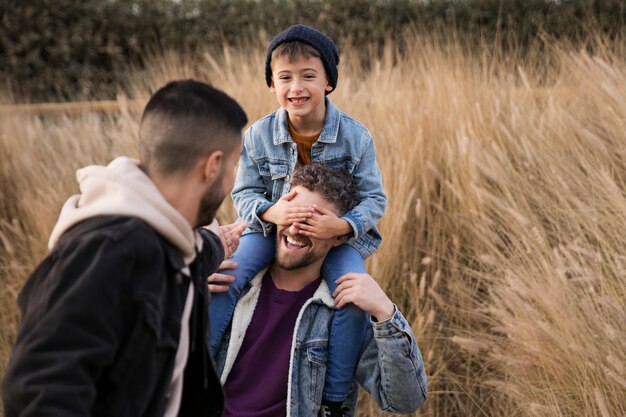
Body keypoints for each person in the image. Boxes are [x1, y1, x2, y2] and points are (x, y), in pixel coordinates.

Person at [2, 80, 248, 417]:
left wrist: (217, 245)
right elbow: (42, 391)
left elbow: (185, 252)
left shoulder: (169, 241)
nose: (235, 179)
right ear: (212, 165)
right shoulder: (106, 251)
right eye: (235, 165)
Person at [209, 24, 387, 415]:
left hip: (334, 238)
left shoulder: (356, 138)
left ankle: (333, 399)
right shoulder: (257, 136)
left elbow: (375, 199)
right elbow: (243, 193)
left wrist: (340, 226)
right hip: (270, 231)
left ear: (328, 82)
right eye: (285, 78)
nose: (297, 87)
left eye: (309, 75)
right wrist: (274, 212)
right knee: (230, 275)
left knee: (351, 292)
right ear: (272, 85)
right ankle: (201, 369)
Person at [209, 164, 427, 417]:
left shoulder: (347, 310)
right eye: (291, 214)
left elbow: (405, 400)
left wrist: (386, 313)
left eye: (311, 222)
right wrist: (182, 286)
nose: (294, 229)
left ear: (339, 235)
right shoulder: (227, 282)